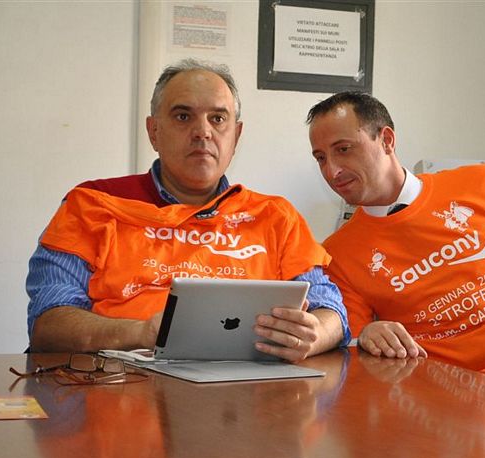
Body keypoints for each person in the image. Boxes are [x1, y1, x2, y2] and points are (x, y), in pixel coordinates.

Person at [26, 58, 350, 362]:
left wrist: (313, 335)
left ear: (236, 136)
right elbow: (48, 323)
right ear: (154, 132)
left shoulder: (275, 216)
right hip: (119, 384)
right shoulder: (93, 204)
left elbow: (331, 310)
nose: (203, 132)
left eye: (218, 119)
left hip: (249, 391)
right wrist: (140, 333)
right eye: (183, 116)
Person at [306, 91, 485, 401]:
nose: (332, 171)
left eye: (344, 150)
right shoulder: (339, 253)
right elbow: (351, 344)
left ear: (387, 140)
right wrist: (367, 337)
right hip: (451, 400)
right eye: (321, 158)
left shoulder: (484, 184)